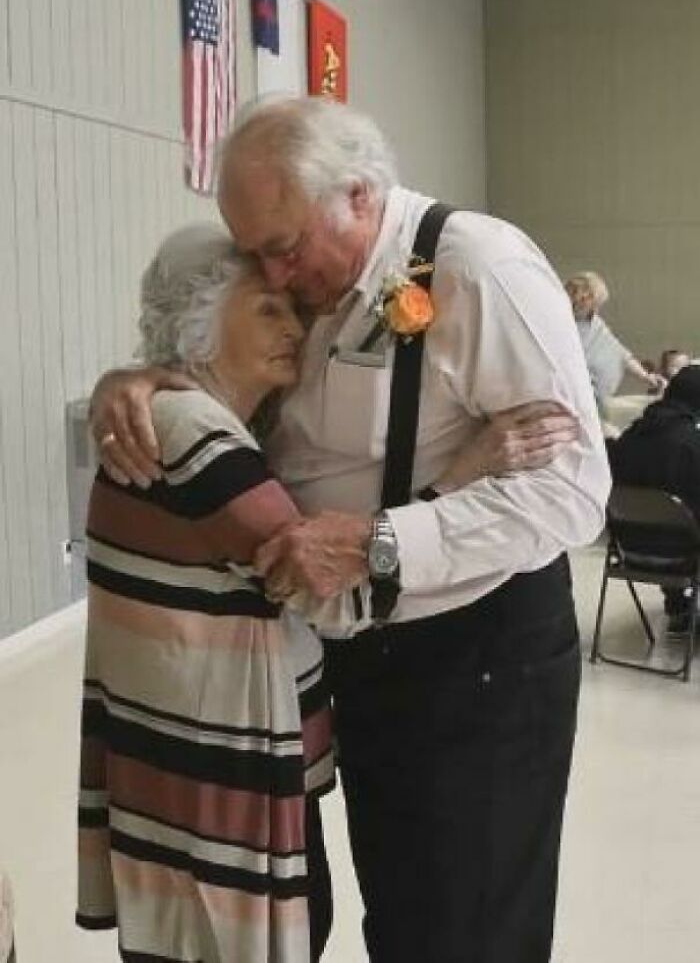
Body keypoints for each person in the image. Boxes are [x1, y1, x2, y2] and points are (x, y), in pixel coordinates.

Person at [90, 97, 611, 963]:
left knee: (467, 930)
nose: (276, 280)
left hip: (475, 660)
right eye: (254, 257)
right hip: (358, 656)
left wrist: (382, 540)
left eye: (282, 248)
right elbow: (244, 384)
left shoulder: (477, 269)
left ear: (360, 195)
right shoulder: (310, 275)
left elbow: (571, 489)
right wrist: (151, 373)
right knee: (404, 912)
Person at [77, 224, 337, 963]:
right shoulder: (194, 432)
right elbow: (332, 586)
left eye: (295, 311)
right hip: (223, 773)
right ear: (198, 322)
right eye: (267, 310)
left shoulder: (185, 415)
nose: (295, 329)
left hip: (183, 762)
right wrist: (471, 474)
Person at [608, 364, 700, 633]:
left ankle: (677, 605)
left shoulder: (626, 441)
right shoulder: (692, 446)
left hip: (629, 552)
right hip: (682, 556)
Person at [564, 271, 665, 403]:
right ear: (580, 298)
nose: (595, 310)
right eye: (593, 304)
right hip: (570, 398)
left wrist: (646, 377)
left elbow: (620, 354)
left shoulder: (595, 323)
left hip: (596, 402)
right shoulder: (559, 323)